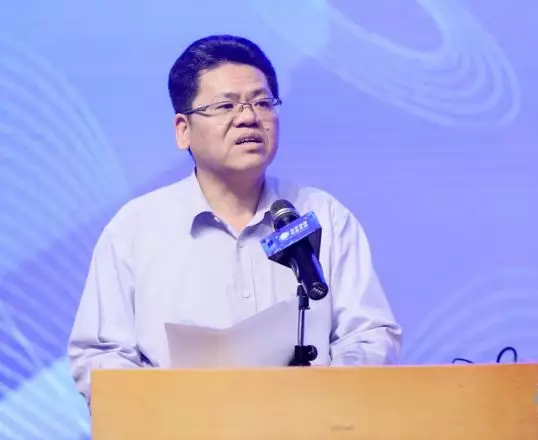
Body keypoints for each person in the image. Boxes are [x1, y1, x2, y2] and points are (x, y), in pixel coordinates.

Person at [67, 34, 402, 405]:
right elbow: (100, 355)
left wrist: (322, 396)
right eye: (226, 106)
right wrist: (164, 408)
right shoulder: (136, 229)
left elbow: (369, 334)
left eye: (262, 102)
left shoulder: (322, 214)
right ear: (183, 130)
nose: (248, 118)